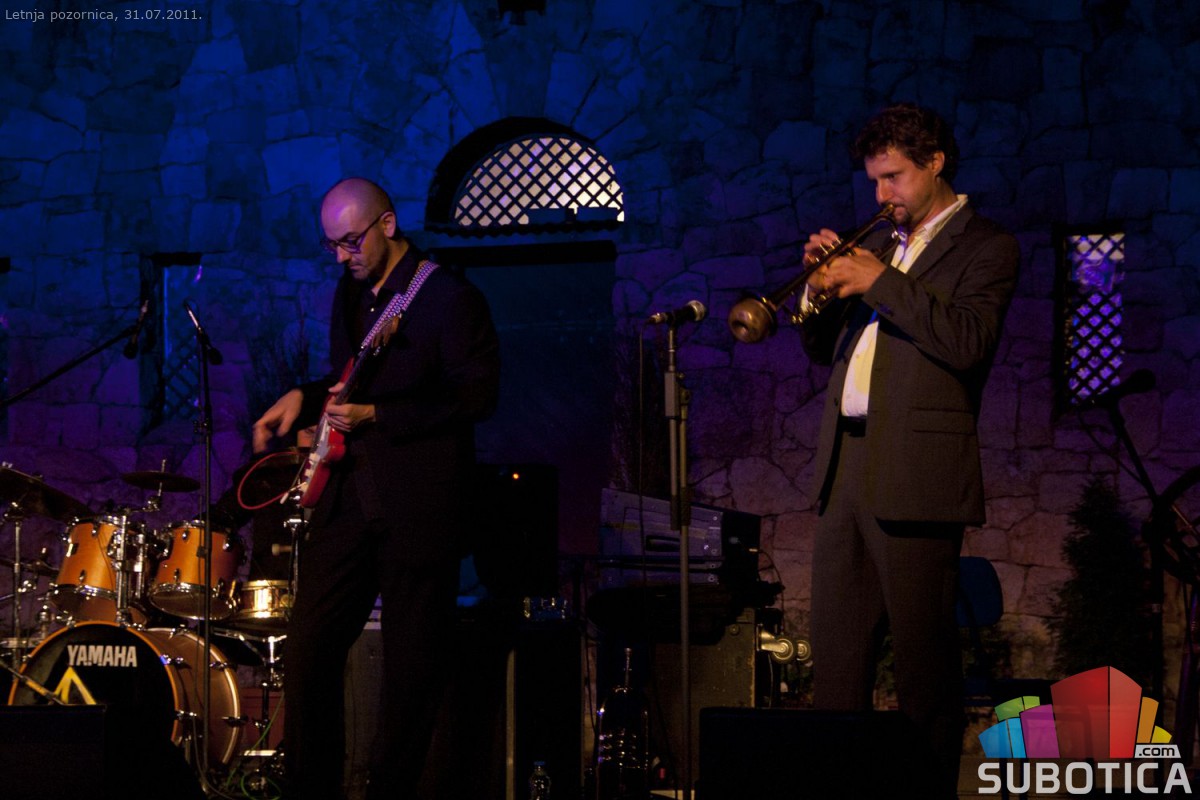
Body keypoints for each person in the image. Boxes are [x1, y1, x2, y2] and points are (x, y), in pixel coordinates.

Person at [252, 177, 500, 800]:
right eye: (332, 245)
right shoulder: (352, 291)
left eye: (350, 241)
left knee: (411, 669)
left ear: (387, 225)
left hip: (419, 506)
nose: (342, 257)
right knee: (308, 649)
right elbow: (353, 377)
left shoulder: (449, 298)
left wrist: (379, 417)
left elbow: (476, 396)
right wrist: (304, 395)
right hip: (350, 499)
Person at [799, 103, 1019, 797]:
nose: (881, 194)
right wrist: (816, 290)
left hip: (919, 471)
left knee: (924, 672)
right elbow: (821, 350)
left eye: (893, 177)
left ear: (935, 162)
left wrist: (878, 282)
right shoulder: (883, 246)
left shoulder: (987, 246)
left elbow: (966, 341)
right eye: (874, 180)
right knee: (837, 665)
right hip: (847, 466)